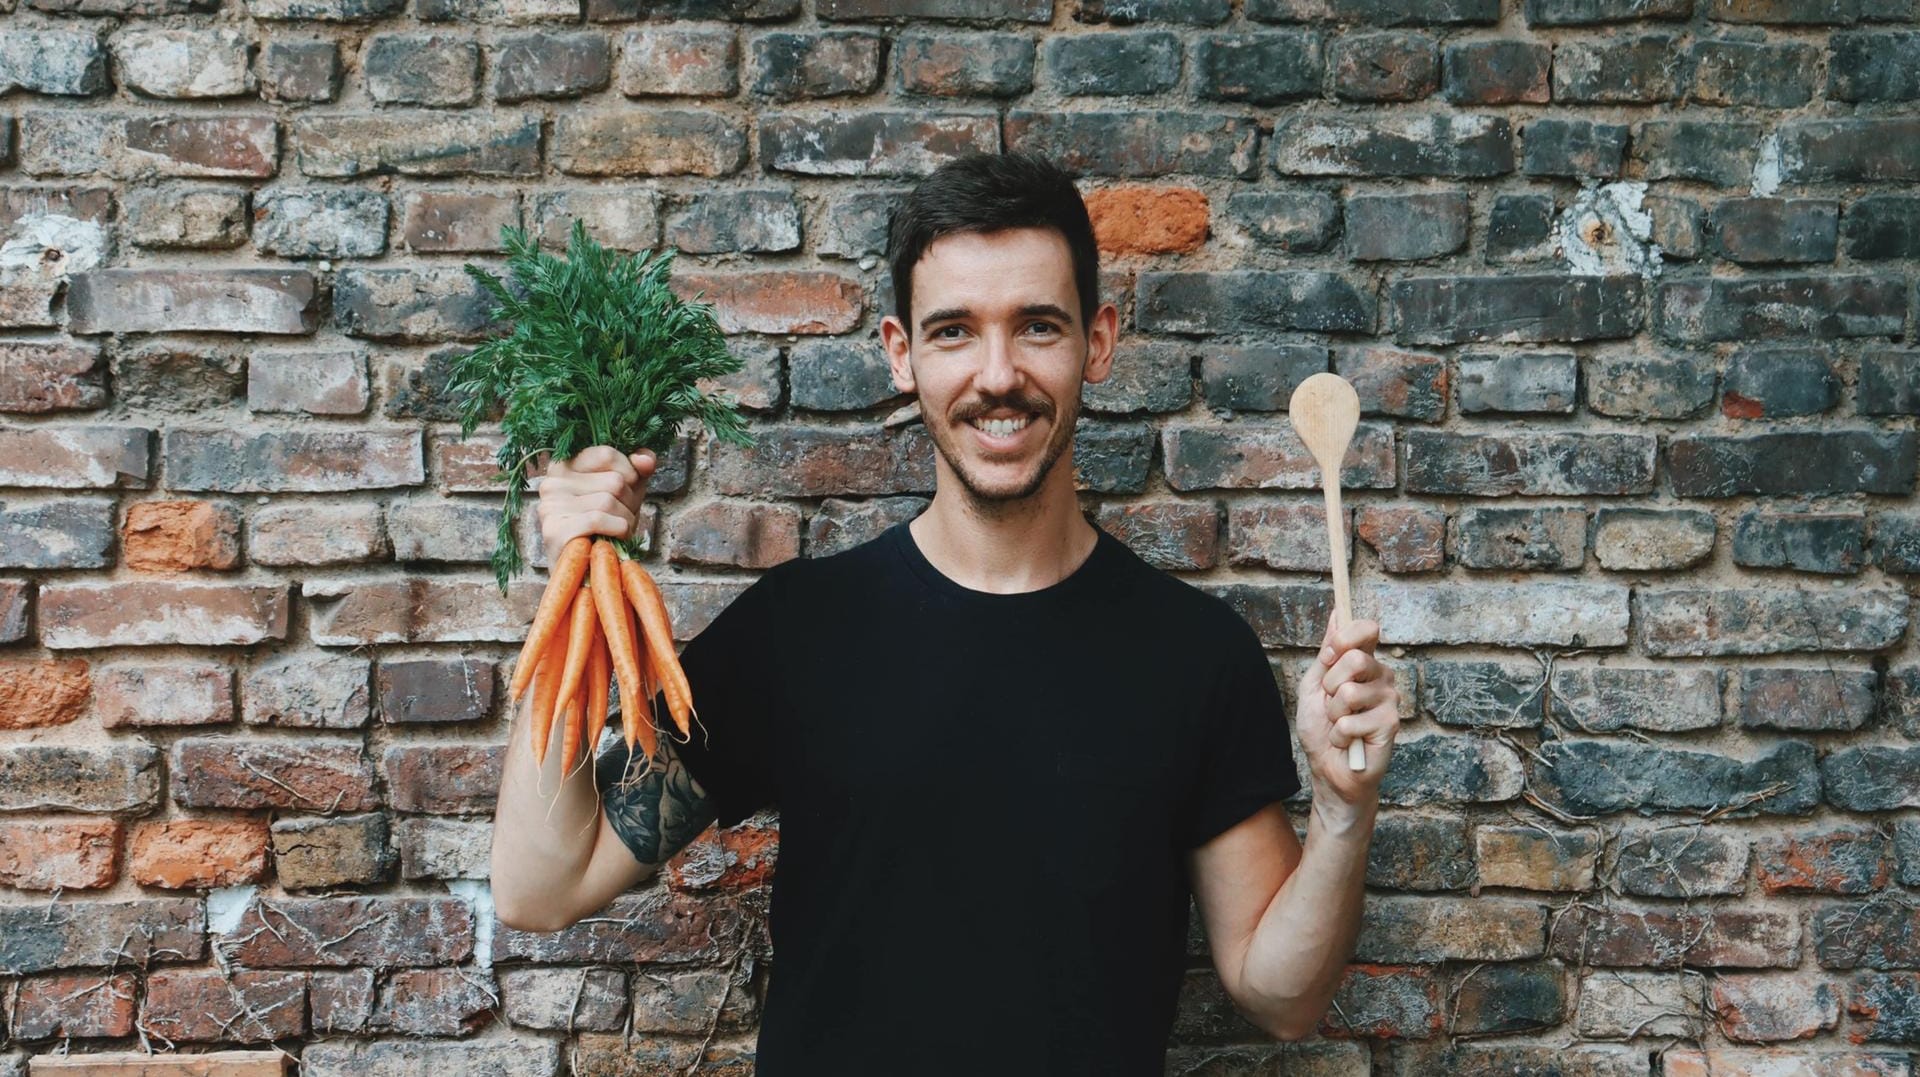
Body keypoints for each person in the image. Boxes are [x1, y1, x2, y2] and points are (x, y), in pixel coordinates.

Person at [490, 151, 1401, 1073]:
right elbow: (540, 885)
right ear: (902, 351)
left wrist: (1342, 810)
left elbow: (1282, 997)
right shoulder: (798, 632)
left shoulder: (1197, 656)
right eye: (955, 331)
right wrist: (574, 584)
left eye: (1038, 326)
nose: (997, 375)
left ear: (1099, 339)